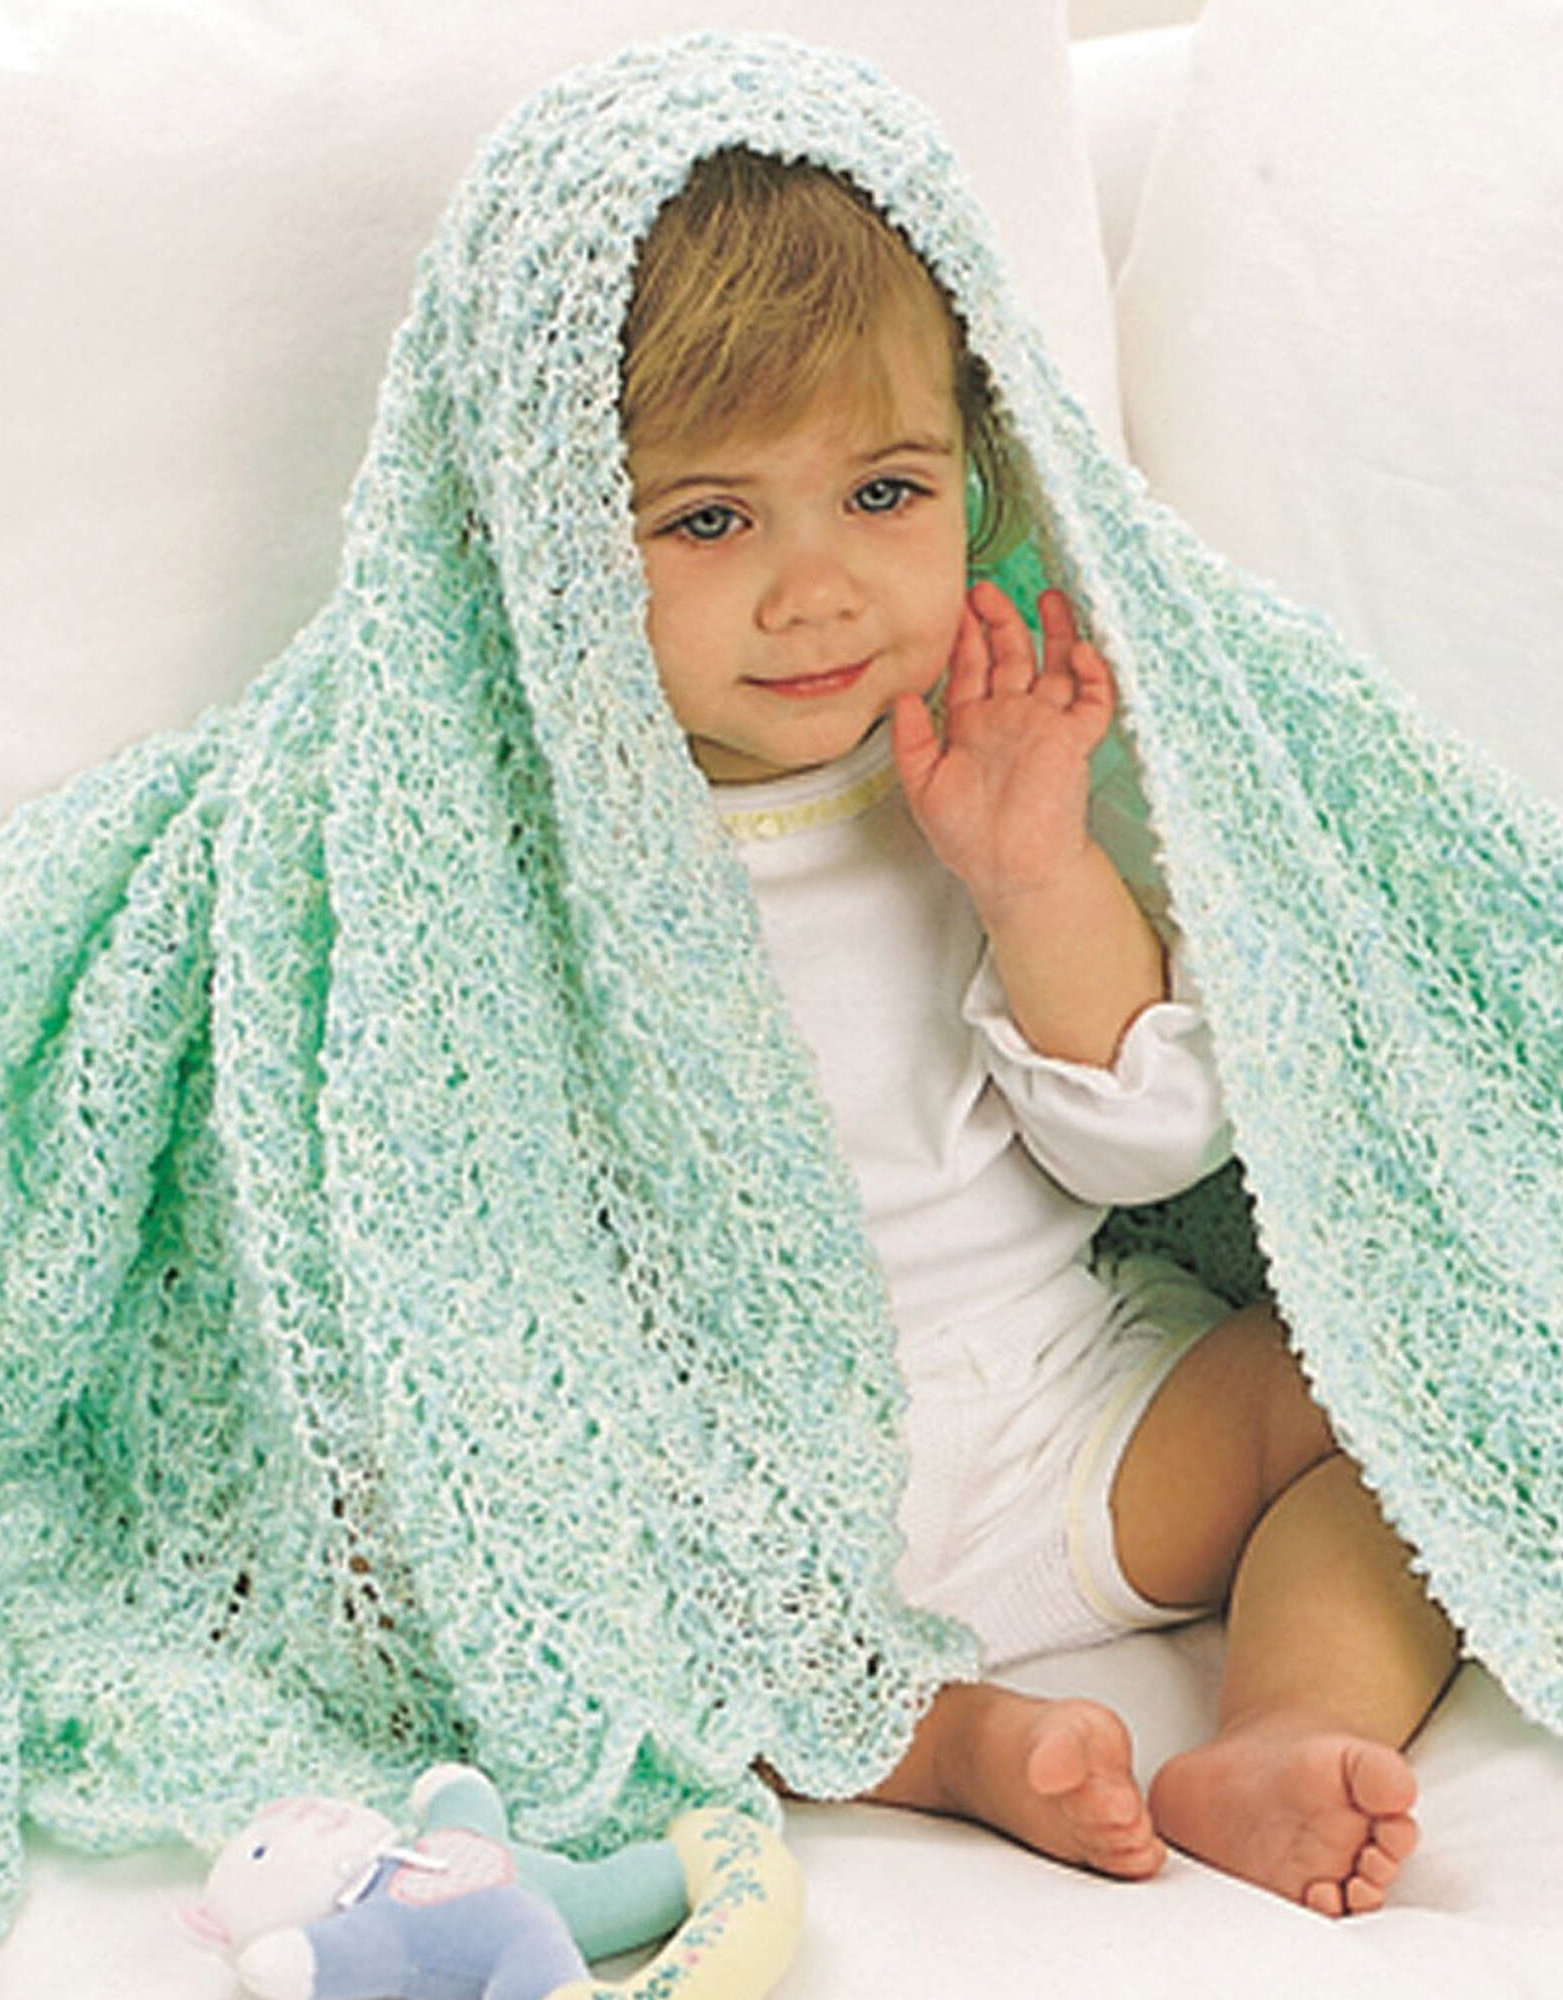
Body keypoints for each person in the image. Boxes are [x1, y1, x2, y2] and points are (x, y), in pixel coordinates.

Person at [620, 146, 1459, 1918]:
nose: (815, 589)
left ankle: (1280, 1725)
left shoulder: (985, 747)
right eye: (708, 520)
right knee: (519, 1596)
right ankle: (942, 1745)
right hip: (734, 1502)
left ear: (977, 470)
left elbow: (1144, 1150)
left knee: (1406, 1387)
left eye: (883, 492)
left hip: (1069, 1416)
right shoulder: (503, 848)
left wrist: (1030, 869)